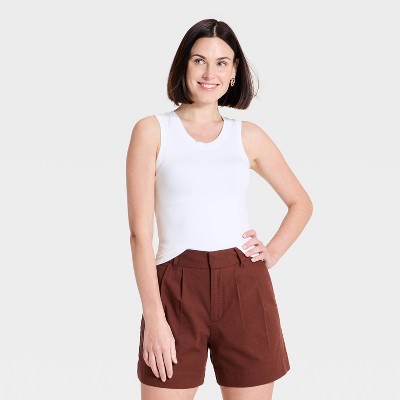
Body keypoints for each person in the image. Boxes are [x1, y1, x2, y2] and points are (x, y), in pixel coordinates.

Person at [126, 18, 313, 400]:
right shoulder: (152, 130)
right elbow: (139, 235)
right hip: (175, 286)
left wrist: (272, 252)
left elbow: (301, 203)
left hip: (244, 285)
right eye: (199, 60)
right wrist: (155, 319)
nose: (210, 73)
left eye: (221, 63)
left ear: (234, 72)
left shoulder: (248, 136)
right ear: (184, 64)